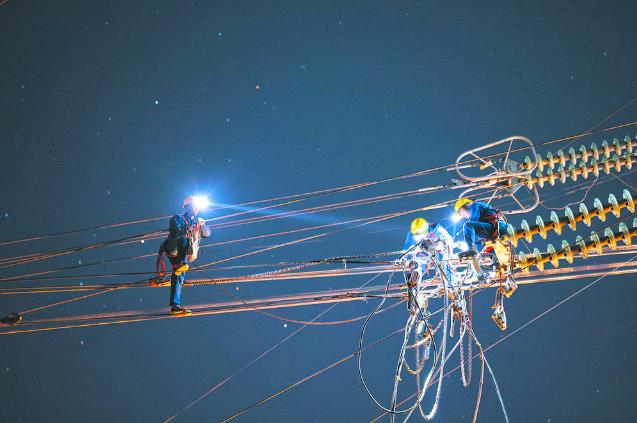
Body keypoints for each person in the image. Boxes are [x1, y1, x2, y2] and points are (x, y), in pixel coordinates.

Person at [162, 196, 211, 315]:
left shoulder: (197, 222)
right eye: (194, 206)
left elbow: (207, 234)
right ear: (187, 208)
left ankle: (175, 306)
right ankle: (182, 264)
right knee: (184, 237)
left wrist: (202, 225)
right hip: (173, 248)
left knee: (179, 276)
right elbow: (175, 232)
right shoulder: (178, 218)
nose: (196, 209)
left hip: (182, 254)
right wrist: (188, 229)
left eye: (197, 207)